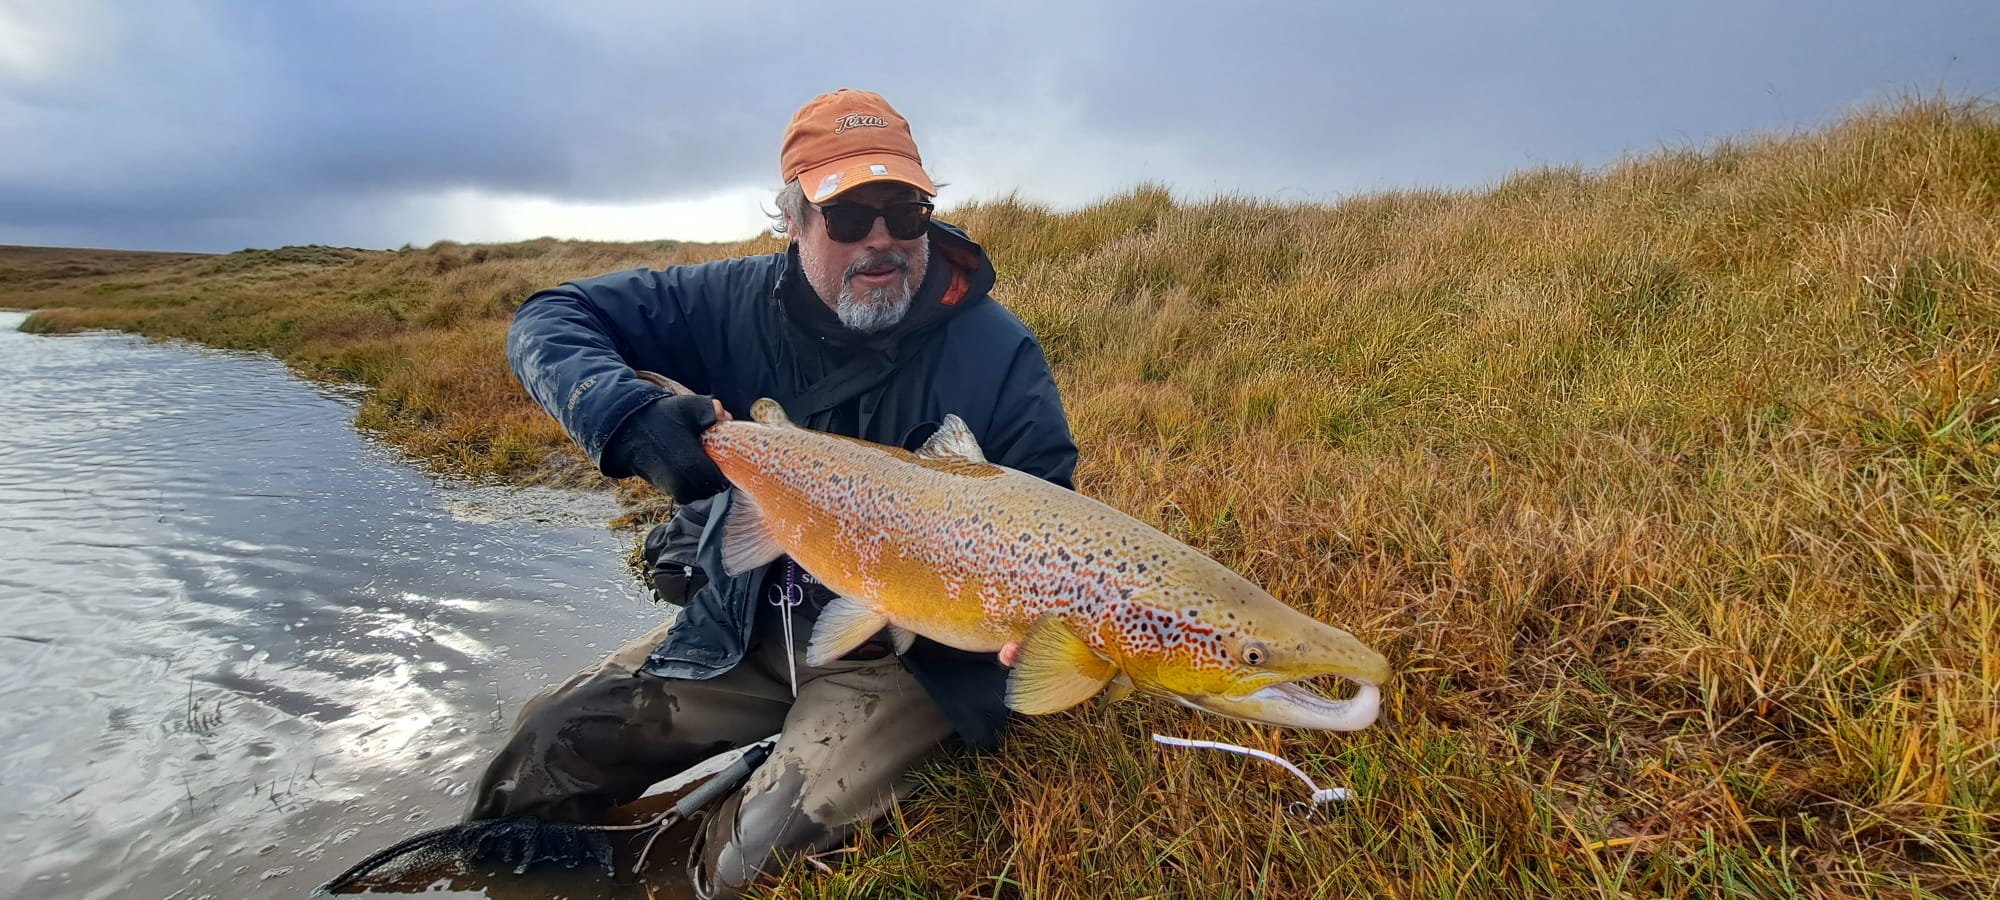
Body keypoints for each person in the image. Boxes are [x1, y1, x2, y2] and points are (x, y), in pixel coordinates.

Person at [467, 87, 1079, 898]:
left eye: (907, 210)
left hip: (905, 662)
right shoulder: (725, 302)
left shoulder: (998, 353)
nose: (884, 239)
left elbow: (1048, 505)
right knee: (540, 757)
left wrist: (1034, 626)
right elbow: (549, 319)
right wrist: (627, 417)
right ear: (793, 221)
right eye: (851, 216)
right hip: (748, 622)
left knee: (756, 861)